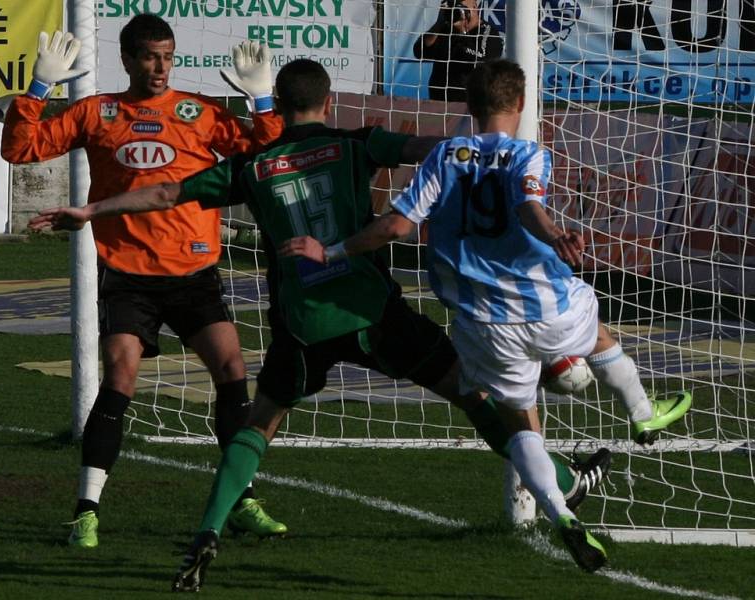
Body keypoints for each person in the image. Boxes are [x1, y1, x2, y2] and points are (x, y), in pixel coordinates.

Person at [30, 58, 612, 587]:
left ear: (278, 107)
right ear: (329, 102)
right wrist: (492, 144)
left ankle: (207, 532)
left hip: (302, 323)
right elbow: (421, 147)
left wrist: (93, 209)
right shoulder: (355, 145)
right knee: (471, 391)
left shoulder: (253, 167)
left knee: (260, 423)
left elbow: (164, 192)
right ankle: (560, 480)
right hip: (370, 309)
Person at [281, 59, 694, 572]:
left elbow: (394, 227)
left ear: (469, 109)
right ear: (520, 105)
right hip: (545, 304)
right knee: (599, 334)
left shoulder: (444, 157)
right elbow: (528, 207)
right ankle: (641, 412)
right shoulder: (528, 154)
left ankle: (560, 514)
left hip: (482, 322)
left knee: (521, 424)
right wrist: (555, 235)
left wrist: (333, 251)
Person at [1, 14, 287, 548]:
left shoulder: (199, 114)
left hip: (194, 271)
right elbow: (20, 150)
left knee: (232, 367)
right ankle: (86, 511)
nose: (161, 68)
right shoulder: (97, 112)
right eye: (151, 57)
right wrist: (38, 89)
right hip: (128, 273)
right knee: (121, 375)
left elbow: (265, 156)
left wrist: (263, 102)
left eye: (168, 57)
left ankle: (243, 498)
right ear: (128, 60)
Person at [413, 0, 502, 102]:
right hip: (438, 104)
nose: (460, 12)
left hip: (468, 106)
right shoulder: (447, 29)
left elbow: (481, 59)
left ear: (475, 7)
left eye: (462, 8)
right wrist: (439, 23)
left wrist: (462, 33)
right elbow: (419, 52)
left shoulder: (488, 32)